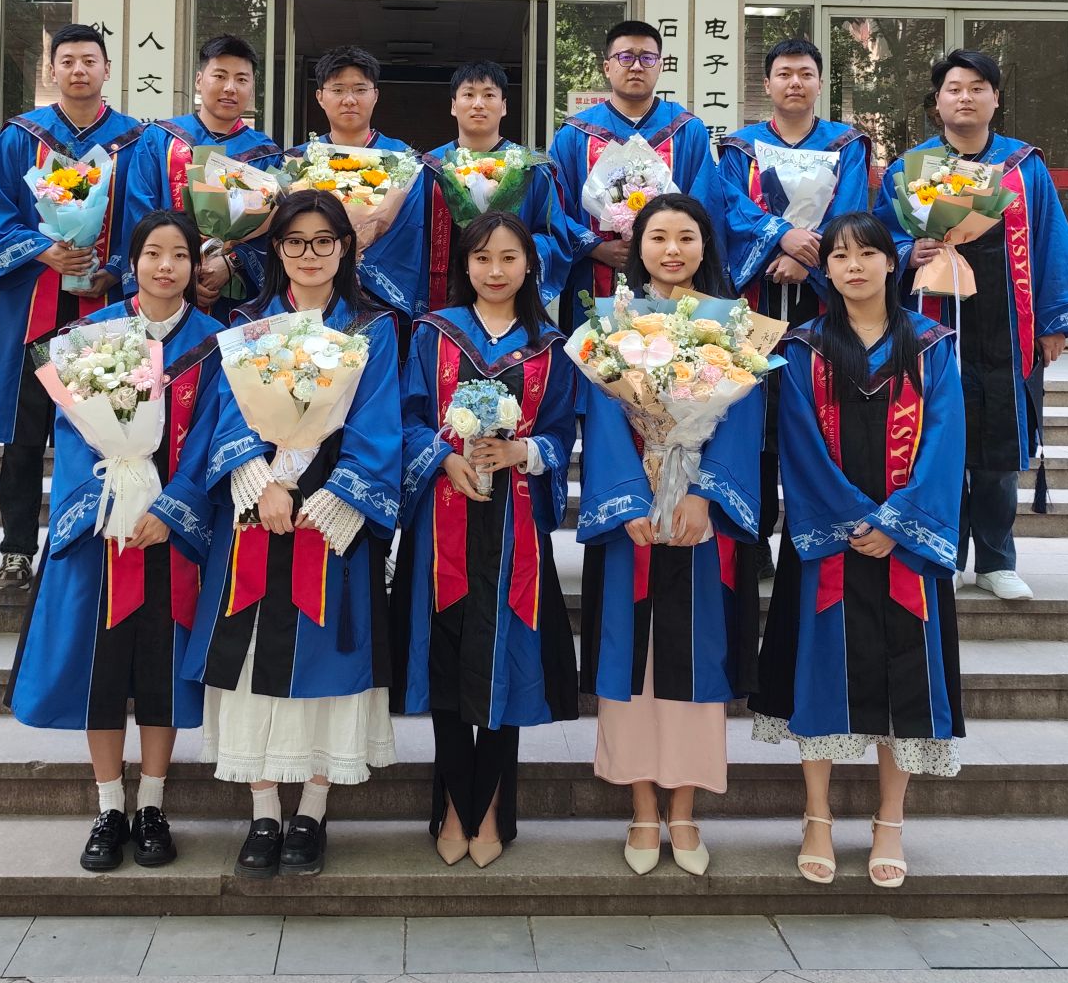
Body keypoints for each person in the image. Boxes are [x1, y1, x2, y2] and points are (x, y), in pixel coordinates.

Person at [159, 190, 401, 880]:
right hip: (253, 516)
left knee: (330, 664)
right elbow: (225, 413)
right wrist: (260, 483)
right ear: (277, 249)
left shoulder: (375, 329)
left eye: (324, 241)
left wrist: (327, 500)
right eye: (295, 241)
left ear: (346, 248)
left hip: (331, 519)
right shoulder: (245, 324)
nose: (310, 254)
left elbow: (379, 424)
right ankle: (264, 812)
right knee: (248, 663)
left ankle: (312, 813)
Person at [749, 212, 965, 889]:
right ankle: (816, 816)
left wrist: (898, 522)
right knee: (819, 674)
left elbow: (946, 440)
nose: (853, 266)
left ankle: (889, 821)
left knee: (906, 683)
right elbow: (799, 443)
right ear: (827, 270)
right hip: (830, 542)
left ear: (890, 262)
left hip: (907, 546)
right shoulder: (803, 346)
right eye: (839, 256)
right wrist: (850, 520)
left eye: (867, 254)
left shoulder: (931, 345)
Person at [5, 210, 224, 873]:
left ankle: (152, 805)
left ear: (195, 266)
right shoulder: (91, 338)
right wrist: (111, 506)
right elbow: (73, 436)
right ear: (132, 263)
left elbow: (216, 437)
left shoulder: (218, 344)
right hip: (104, 531)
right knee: (100, 673)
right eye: (153, 253)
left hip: (173, 534)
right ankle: (108, 807)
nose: (166, 266)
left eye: (179, 254)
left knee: (162, 671)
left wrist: (173, 508)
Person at [875, 49, 1068, 601]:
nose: (966, 97)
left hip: (1007, 321)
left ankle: (997, 560)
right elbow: (880, 236)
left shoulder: (1024, 166)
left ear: (995, 99)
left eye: (978, 87)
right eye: (954, 88)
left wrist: (1053, 323)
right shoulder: (909, 169)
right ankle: (944, 552)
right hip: (932, 321)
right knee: (935, 438)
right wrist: (909, 250)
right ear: (937, 102)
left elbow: (1051, 240)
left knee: (1001, 443)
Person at [577, 192, 760, 876]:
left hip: (697, 513)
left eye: (686, 236)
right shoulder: (608, 322)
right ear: (639, 246)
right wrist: (626, 499)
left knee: (695, 659)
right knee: (633, 663)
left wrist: (706, 498)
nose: (672, 250)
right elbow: (601, 414)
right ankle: (641, 808)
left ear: (706, 245)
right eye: (658, 237)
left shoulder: (735, 324)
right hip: (633, 512)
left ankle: (683, 809)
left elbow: (742, 417)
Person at [393, 211, 580, 868]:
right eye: (481, 258)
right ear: (464, 265)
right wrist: (443, 458)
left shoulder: (551, 346)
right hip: (443, 521)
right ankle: (454, 806)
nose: (495, 270)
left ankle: (492, 805)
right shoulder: (432, 333)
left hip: (514, 524)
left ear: (530, 265)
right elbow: (407, 419)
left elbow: (561, 431)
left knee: (508, 663)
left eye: (508, 258)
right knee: (446, 660)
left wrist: (523, 452)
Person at [0, 23, 144, 593]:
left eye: (89, 60)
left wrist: (115, 267)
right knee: (24, 439)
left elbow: (147, 218)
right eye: (67, 60)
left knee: (108, 436)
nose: (78, 70)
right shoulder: (21, 136)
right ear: (52, 70)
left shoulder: (135, 141)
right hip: (33, 309)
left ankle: (94, 547)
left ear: (107, 69)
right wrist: (43, 250)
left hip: (105, 310)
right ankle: (17, 550)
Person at [699, 36, 873, 574]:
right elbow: (727, 208)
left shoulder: (847, 144)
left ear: (820, 83)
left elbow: (850, 211)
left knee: (816, 415)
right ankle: (753, 538)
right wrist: (781, 238)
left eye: (805, 73)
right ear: (767, 83)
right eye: (784, 73)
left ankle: (811, 540)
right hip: (753, 300)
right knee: (752, 415)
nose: (795, 82)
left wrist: (808, 258)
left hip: (821, 305)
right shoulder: (740, 148)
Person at [550, 20, 714, 307]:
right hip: (594, 273)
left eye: (647, 58)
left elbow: (705, 202)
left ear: (660, 66)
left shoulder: (687, 131)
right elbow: (553, 204)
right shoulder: (575, 134)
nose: (636, 66)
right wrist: (596, 247)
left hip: (672, 273)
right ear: (607, 67)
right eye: (625, 57)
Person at [121, 34, 281, 310]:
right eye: (220, 76)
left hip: (237, 295)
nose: (230, 88)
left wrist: (231, 263)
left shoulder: (266, 154)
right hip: (164, 285)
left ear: (252, 87)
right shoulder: (160, 138)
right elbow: (139, 210)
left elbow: (274, 230)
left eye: (241, 79)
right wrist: (181, 268)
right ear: (199, 80)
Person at [414, 60, 574, 317]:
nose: (478, 104)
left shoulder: (532, 169)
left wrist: (510, 254)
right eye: (469, 95)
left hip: (512, 300)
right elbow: (411, 238)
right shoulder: (429, 169)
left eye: (489, 95)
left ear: (504, 106)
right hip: (443, 301)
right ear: (454, 106)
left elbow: (553, 238)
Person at [306, 46, 420, 320]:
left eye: (360, 89)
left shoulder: (404, 160)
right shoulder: (300, 158)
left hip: (381, 298)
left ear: (375, 95)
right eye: (338, 90)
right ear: (320, 97)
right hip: (314, 292)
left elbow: (410, 229)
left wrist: (356, 262)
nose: (349, 100)